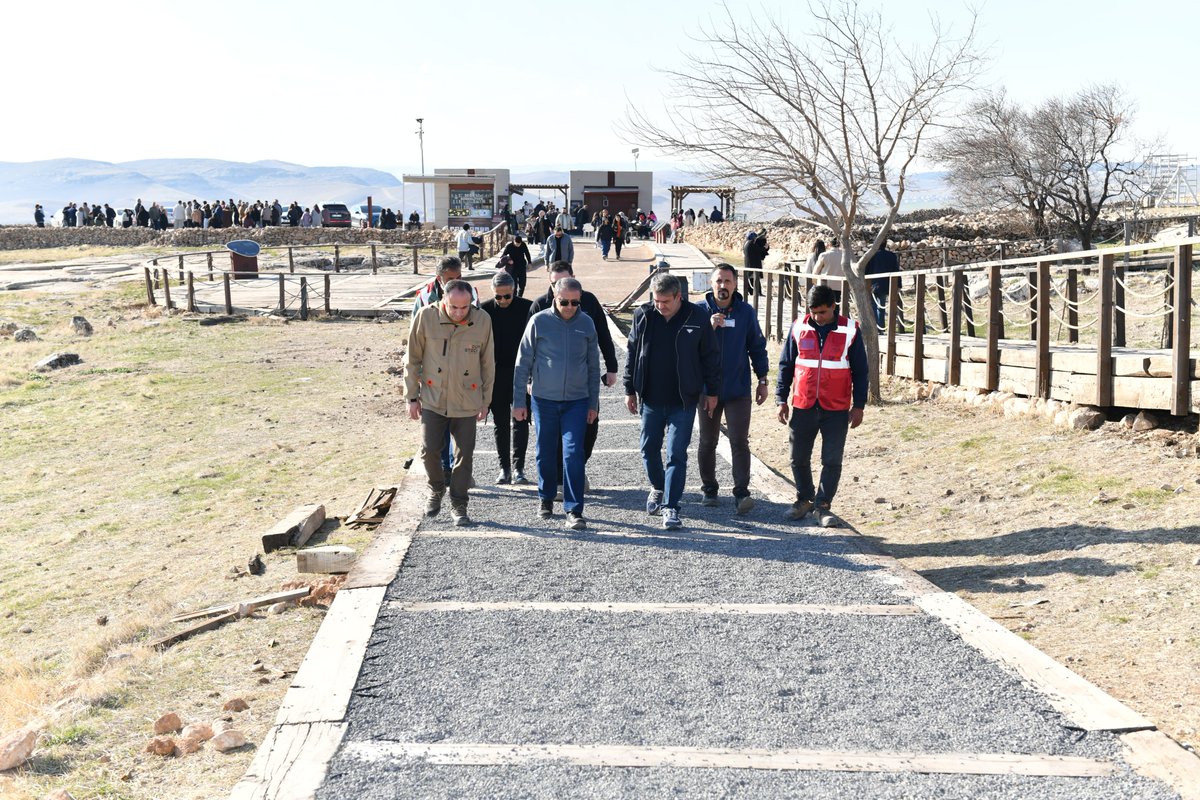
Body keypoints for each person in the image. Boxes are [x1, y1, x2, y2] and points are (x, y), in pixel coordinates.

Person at [624, 272, 721, 530]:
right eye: (656, 300)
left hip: (683, 400)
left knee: (676, 453)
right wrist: (629, 389)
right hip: (651, 400)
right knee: (648, 449)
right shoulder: (643, 315)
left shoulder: (697, 317)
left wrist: (712, 391)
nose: (660, 306)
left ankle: (671, 507)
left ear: (679, 296)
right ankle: (658, 487)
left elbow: (710, 357)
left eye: (666, 301)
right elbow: (632, 352)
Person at [776, 284, 868, 528]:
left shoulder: (851, 330)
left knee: (832, 460)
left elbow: (861, 371)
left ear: (833, 307)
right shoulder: (798, 327)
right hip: (803, 404)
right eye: (814, 312)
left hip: (836, 407)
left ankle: (823, 505)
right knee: (798, 457)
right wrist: (780, 399)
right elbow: (786, 365)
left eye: (823, 312)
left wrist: (859, 405)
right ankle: (804, 499)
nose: (818, 317)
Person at [404, 279, 494, 526]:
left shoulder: (482, 320)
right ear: (443, 299)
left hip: (467, 400)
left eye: (465, 307)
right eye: (454, 307)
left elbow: (488, 363)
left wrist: (486, 401)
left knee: (465, 455)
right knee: (429, 449)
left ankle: (459, 503)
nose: (459, 312)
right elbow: (412, 359)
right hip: (433, 399)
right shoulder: (425, 317)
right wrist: (411, 397)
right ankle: (436, 488)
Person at [513, 277, 601, 530]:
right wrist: (519, 402)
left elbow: (594, 367)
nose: (570, 307)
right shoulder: (538, 322)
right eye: (565, 302)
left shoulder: (586, 323)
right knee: (545, 451)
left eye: (576, 302)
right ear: (554, 295)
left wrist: (593, 403)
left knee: (574, 453)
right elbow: (522, 365)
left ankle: (574, 509)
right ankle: (545, 497)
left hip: (577, 401)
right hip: (544, 400)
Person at [528, 261, 620, 480]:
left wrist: (612, 367)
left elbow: (604, 335)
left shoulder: (589, 301)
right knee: (557, 434)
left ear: (574, 277)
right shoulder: (540, 306)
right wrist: (530, 379)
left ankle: (577, 464)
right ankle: (562, 474)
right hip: (550, 383)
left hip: (583, 380)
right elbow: (527, 349)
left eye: (563, 280)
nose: (558, 287)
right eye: (554, 283)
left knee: (589, 427)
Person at [697, 264, 769, 514]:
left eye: (727, 281)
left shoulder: (746, 312)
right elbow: (687, 347)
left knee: (739, 440)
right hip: (707, 389)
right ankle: (709, 489)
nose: (723, 286)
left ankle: (741, 493)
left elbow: (757, 347)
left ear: (736, 284)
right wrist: (708, 327)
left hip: (738, 389)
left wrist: (762, 380)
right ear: (711, 283)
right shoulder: (698, 311)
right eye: (718, 281)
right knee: (708, 441)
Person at [481, 271, 533, 485]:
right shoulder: (484, 311)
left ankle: (519, 467)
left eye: (507, 296)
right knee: (500, 422)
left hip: (521, 371)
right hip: (495, 374)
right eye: (498, 297)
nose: (502, 301)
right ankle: (504, 468)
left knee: (521, 420)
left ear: (514, 291)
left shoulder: (528, 308)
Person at [865, 238, 898, 331]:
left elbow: (866, 271)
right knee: (881, 306)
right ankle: (881, 327)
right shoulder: (891, 256)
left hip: (872, 284)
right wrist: (898, 285)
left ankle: (874, 327)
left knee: (873, 306)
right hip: (887, 284)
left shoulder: (871, 255)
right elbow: (896, 270)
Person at [815, 236, 847, 310]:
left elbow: (815, 272)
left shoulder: (824, 255)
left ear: (829, 244)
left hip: (825, 285)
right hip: (840, 285)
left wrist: (815, 283)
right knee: (836, 306)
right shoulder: (845, 255)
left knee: (824, 306)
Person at [500, 233, 533, 297]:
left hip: (522, 266)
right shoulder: (509, 246)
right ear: (514, 241)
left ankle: (520, 297)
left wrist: (529, 262)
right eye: (516, 243)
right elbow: (503, 256)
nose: (518, 245)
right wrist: (508, 260)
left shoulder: (523, 245)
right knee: (514, 284)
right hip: (513, 268)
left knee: (522, 284)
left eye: (519, 244)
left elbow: (527, 253)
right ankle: (514, 297)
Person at [743, 229, 768, 296]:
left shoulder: (746, 243)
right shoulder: (751, 244)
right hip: (753, 263)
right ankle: (758, 292)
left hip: (749, 263)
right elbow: (759, 250)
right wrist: (765, 248)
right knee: (755, 278)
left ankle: (751, 292)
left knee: (750, 278)